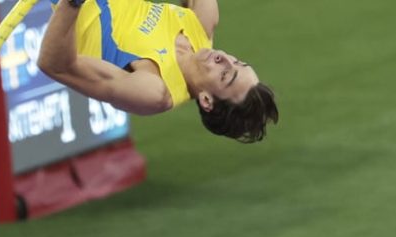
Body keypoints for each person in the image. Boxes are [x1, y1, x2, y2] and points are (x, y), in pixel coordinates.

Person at [38, 0, 279, 143]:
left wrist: (73, 3)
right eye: (237, 62)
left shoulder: (154, 91)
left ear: (207, 100)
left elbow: (56, 65)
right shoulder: (203, 23)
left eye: (225, 75)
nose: (224, 59)